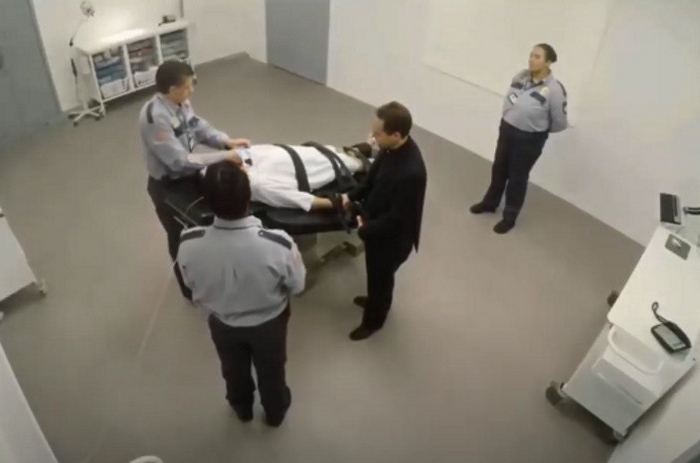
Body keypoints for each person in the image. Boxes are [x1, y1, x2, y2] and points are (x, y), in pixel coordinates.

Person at [177, 162, 305, 426]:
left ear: (206, 201)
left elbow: (190, 284)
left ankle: (241, 408)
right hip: (269, 323)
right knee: (272, 370)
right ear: (248, 197)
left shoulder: (188, 243)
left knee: (232, 369)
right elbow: (298, 285)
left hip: (223, 322)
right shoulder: (278, 244)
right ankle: (275, 412)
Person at [139, 60, 250, 301]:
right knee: (179, 237)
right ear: (172, 89)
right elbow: (178, 161)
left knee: (209, 222)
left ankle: (211, 271)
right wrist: (225, 156)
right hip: (168, 186)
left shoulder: (180, 102)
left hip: (189, 176)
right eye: (187, 86)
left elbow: (198, 127)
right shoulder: (154, 118)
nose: (192, 91)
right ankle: (189, 290)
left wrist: (225, 141)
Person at [342, 102, 427, 341]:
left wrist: (365, 230)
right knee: (375, 276)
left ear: (396, 134)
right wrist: (351, 197)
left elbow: (397, 219)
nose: (372, 138)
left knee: (381, 280)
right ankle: (373, 300)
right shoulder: (389, 148)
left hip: (391, 241)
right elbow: (371, 179)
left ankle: (374, 321)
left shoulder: (412, 172)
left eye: (378, 134)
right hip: (377, 225)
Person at [470, 43, 568, 234]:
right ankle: (490, 203)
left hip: (529, 139)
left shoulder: (555, 89)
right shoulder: (521, 77)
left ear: (548, 62)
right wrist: (513, 113)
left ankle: (510, 217)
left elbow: (559, 121)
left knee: (517, 177)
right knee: (499, 169)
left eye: (537, 57)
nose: (531, 59)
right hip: (507, 130)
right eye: (531, 55)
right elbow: (513, 99)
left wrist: (536, 129)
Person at [234, 143, 371, 211]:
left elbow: (240, 150)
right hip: (328, 166)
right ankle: (360, 161)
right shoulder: (260, 185)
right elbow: (308, 201)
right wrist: (345, 201)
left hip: (319, 153)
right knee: (355, 164)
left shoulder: (246, 154)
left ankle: (357, 158)